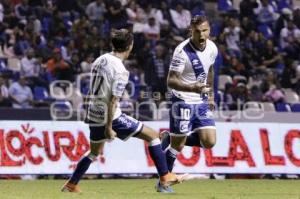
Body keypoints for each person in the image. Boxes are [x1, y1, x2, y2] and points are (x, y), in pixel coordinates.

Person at [61, 29, 186, 193]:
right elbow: (113, 100)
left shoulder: (100, 60)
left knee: (93, 152)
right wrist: (109, 127)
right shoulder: (120, 70)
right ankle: (165, 176)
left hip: (93, 113)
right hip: (110, 116)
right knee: (153, 136)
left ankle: (71, 184)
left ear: (113, 44)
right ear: (130, 46)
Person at [161, 15, 218, 190]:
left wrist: (210, 95)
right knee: (177, 146)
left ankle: (170, 136)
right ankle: (164, 181)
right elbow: (171, 81)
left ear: (209, 30)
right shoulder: (181, 51)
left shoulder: (212, 47)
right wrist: (193, 87)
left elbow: (209, 69)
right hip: (182, 99)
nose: (201, 35)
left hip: (200, 100)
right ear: (190, 31)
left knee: (209, 141)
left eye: (205, 31)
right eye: (197, 31)